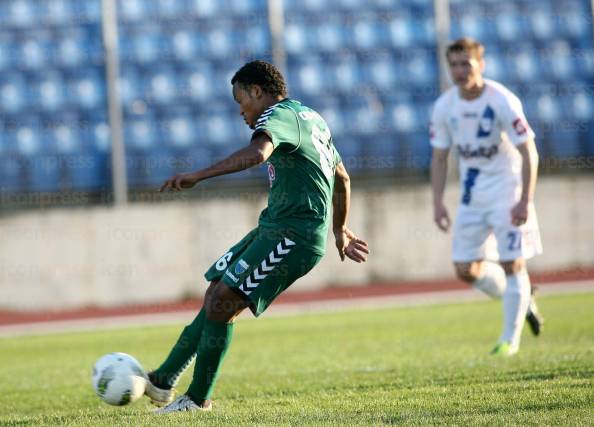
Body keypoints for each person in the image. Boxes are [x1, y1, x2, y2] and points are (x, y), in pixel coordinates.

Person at [145, 60, 370, 412]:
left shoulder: (276, 116)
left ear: (257, 91)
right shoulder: (310, 118)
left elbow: (257, 154)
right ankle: (163, 381)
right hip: (274, 226)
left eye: (241, 102)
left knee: (222, 302)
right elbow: (341, 177)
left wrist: (199, 175)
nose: (241, 111)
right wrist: (339, 229)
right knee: (216, 290)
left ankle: (197, 400)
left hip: (294, 234)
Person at [430, 38, 544, 356]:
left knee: (512, 263)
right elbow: (440, 158)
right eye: (453, 64)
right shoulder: (444, 106)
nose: (459, 70)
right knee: (466, 269)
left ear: (481, 64)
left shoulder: (502, 100)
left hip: (508, 193)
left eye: (466, 63)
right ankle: (524, 299)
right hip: (472, 195)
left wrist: (526, 200)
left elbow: (528, 151)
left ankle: (509, 340)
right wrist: (437, 201)